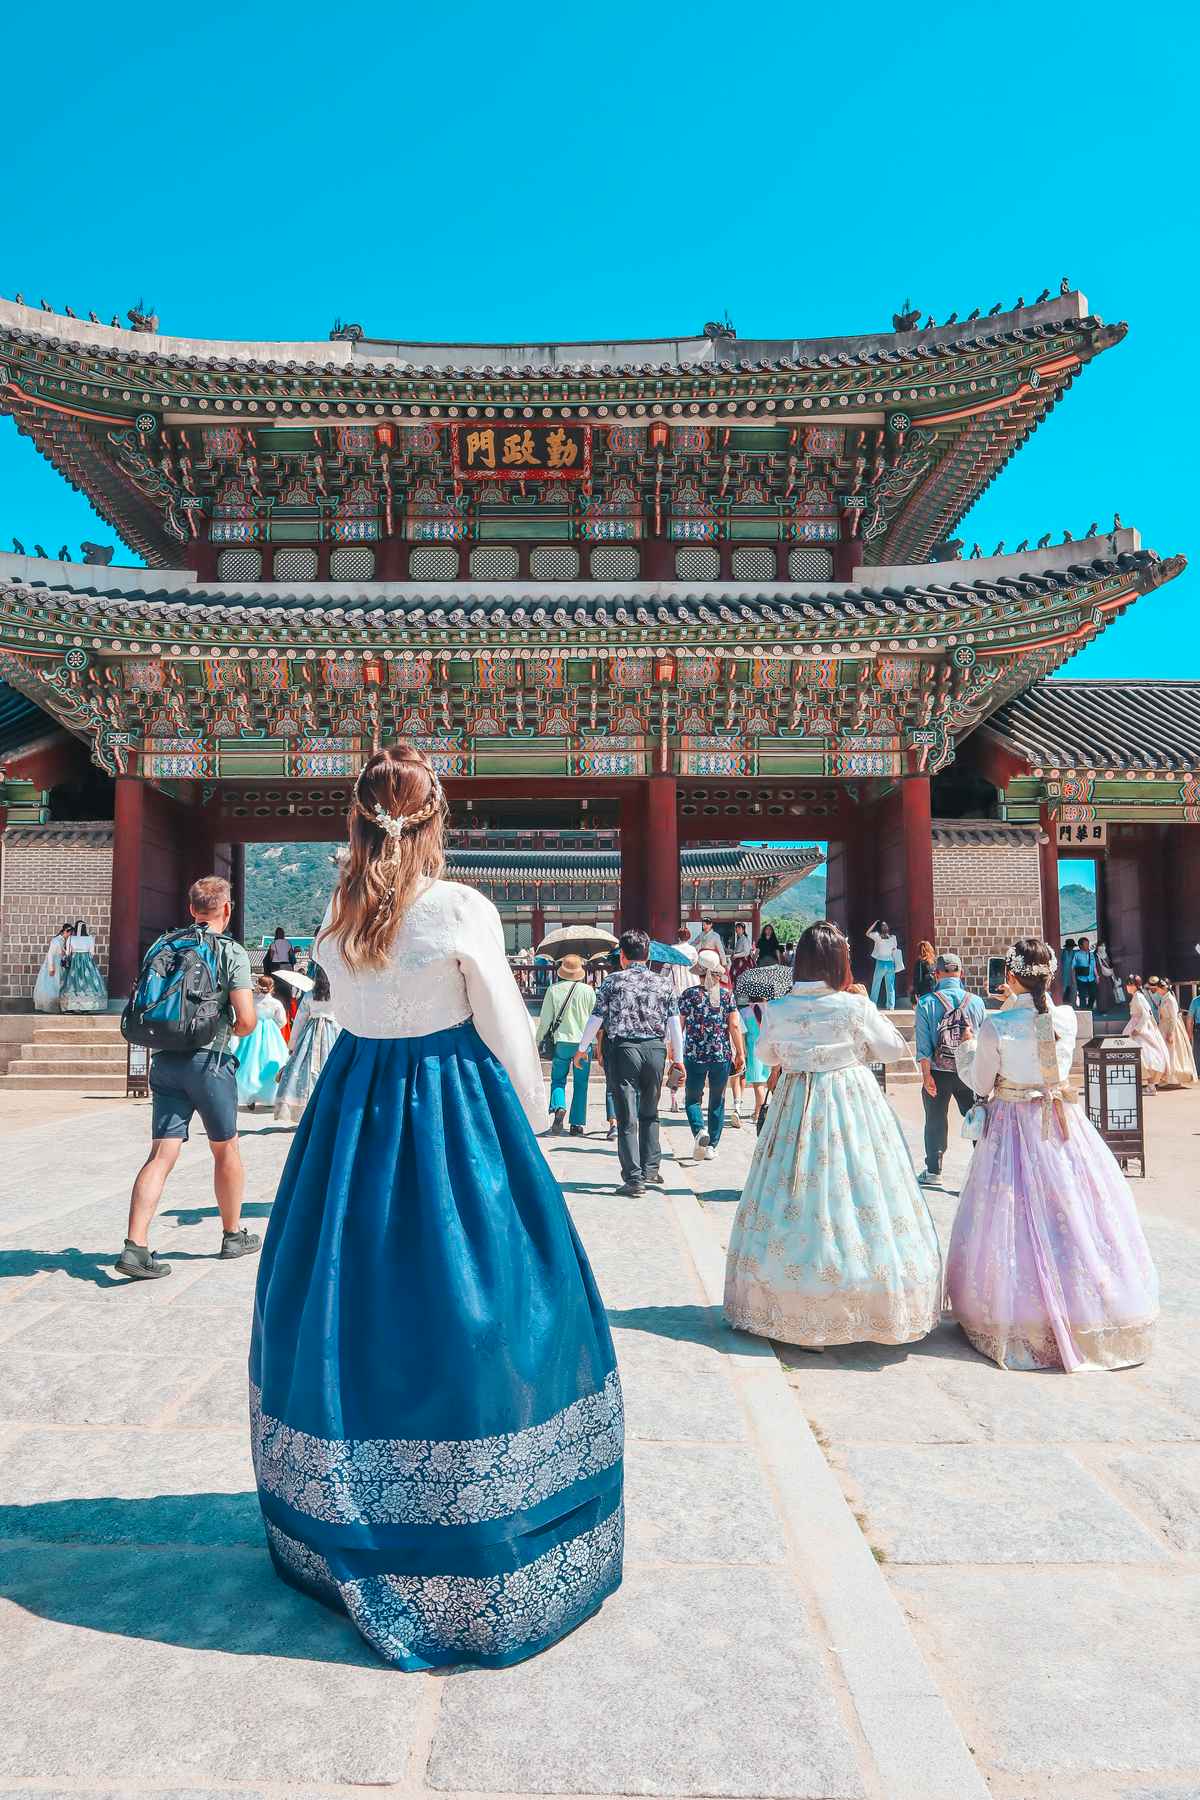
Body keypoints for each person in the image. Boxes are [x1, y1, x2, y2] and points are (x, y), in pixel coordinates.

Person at [251, 743, 622, 1671]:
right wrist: (532, 1116)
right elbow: (500, 1018)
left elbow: (338, 1009)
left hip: (354, 1111)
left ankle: (345, 1500)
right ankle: (478, 1515)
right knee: (481, 1297)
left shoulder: (337, 910)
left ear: (359, 816)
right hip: (453, 1104)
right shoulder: (459, 907)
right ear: (435, 818)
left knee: (347, 1298)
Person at [723, 920, 941, 1350]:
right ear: (841, 962)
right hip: (851, 1098)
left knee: (795, 1192)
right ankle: (865, 1302)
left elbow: (766, 1053)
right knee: (862, 1188)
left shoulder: (781, 1007)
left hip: (796, 1103)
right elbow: (895, 1048)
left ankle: (794, 1302)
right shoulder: (854, 1007)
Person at [947, 937, 1159, 1371]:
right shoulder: (1062, 1018)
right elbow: (1048, 1058)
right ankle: (1088, 1304)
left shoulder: (996, 1026)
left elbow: (981, 1083)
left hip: (1012, 1126)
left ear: (1009, 977)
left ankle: (1019, 1312)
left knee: (1012, 1215)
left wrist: (966, 1047)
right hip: (1062, 1122)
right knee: (1074, 1210)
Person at [114, 876, 260, 1280]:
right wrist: (227, 1024)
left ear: (191, 909)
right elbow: (246, 1020)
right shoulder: (231, 952)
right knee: (225, 1149)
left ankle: (135, 1246)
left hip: (165, 1062)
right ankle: (233, 1235)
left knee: (160, 1154)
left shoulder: (165, 944)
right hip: (210, 1064)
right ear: (227, 910)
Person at [576, 929, 684, 1197]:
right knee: (650, 1111)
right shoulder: (664, 984)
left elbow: (596, 1019)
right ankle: (651, 1169)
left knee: (626, 1115)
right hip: (655, 1049)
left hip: (624, 1049)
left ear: (622, 956)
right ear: (647, 955)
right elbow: (674, 1025)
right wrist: (678, 1059)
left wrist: (582, 1048)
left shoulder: (613, 982)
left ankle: (634, 1178)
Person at [915, 952, 987, 1187]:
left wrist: (926, 1077)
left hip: (938, 1071)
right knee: (976, 1117)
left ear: (936, 974)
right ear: (961, 974)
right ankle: (983, 1166)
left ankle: (934, 1170)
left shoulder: (926, 1002)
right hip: (970, 1071)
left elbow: (923, 1047)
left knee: (935, 1118)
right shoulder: (976, 1002)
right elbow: (985, 1042)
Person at [678, 949, 746, 1160]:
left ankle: (700, 1131)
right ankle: (712, 1147)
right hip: (720, 1055)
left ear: (699, 973)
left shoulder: (689, 995)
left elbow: (679, 1024)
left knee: (692, 1099)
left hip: (694, 1054)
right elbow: (734, 1025)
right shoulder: (726, 996)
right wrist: (740, 1053)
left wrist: (674, 1052)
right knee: (717, 1100)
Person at [273, 964, 341, 1125]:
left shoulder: (310, 995)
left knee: (305, 1074)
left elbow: (299, 1020)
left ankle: (305, 1113)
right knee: (331, 1071)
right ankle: (330, 1113)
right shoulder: (339, 995)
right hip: (334, 1031)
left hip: (311, 1034)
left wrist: (292, 1044)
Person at [537, 954, 596, 1136]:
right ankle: (576, 1124)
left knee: (558, 1079)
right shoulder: (588, 991)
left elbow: (545, 1020)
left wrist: (538, 1040)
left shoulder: (553, 990)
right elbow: (595, 1018)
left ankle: (559, 1106)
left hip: (561, 1041)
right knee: (581, 1083)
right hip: (584, 1044)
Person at [734, 959, 792, 1125]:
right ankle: (774, 1110)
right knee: (773, 1080)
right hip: (774, 1047)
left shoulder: (745, 1011)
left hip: (755, 1048)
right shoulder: (773, 1007)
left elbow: (742, 1031)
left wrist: (741, 1050)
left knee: (759, 1082)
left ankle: (758, 1111)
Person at [233, 977, 290, 1108]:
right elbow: (282, 1021)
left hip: (252, 1032)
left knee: (249, 1063)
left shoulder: (252, 1001)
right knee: (272, 1061)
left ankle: (250, 1096)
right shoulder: (276, 1003)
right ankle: (269, 1094)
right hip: (271, 1033)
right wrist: (273, 1026)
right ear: (272, 988)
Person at [1123, 975, 1169, 1090]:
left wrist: (1137, 1029)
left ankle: (1151, 1084)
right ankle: (1148, 1084)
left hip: (1140, 1029)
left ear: (1136, 986)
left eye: (1130, 984)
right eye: (1128, 984)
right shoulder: (1137, 996)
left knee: (1147, 1056)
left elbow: (1146, 1014)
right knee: (1144, 1056)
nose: (1128, 986)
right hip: (1136, 1026)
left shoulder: (1138, 996)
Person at [1148, 978, 1196, 1088]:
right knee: (1166, 1052)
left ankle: (1173, 1078)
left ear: (1164, 988)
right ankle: (1165, 1077)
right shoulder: (1164, 998)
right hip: (1164, 1027)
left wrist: (1170, 1032)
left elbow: (1174, 1018)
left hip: (1171, 1028)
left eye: (1159, 988)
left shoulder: (1170, 999)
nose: (1158, 990)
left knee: (1173, 1053)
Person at [59, 919, 108, 1012]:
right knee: (88, 983)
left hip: (74, 963)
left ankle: (72, 1007)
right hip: (87, 963)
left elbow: (68, 952)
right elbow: (92, 953)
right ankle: (87, 1007)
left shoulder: (71, 938)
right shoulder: (90, 938)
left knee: (73, 984)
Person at [33, 922, 72, 1013]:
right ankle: (49, 1005)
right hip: (54, 964)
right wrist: (51, 968)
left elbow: (62, 952)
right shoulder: (55, 941)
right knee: (51, 983)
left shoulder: (62, 940)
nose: (69, 935)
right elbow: (50, 954)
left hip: (59, 964)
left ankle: (57, 1004)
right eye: (69, 933)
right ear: (65, 931)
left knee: (58, 983)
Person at [865, 918, 903, 1011]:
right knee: (890, 986)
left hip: (881, 963)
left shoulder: (877, 937)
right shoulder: (893, 938)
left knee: (876, 984)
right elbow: (894, 949)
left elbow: (867, 933)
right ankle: (891, 1006)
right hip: (890, 963)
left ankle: (873, 1004)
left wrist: (874, 923)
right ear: (888, 928)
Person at [665, 928, 700, 1000]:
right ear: (688, 937)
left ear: (678, 937)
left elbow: (667, 964)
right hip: (690, 976)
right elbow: (696, 962)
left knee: (675, 998)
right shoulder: (692, 949)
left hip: (676, 975)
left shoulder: (673, 948)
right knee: (690, 997)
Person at [263, 925, 296, 1001]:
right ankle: (287, 998)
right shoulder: (288, 943)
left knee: (277, 984)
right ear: (283, 934)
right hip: (287, 965)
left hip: (276, 966)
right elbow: (291, 954)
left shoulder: (273, 944)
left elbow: (271, 956)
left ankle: (277, 998)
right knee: (287, 984)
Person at [1072, 937, 1098, 1010]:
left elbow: (1094, 966)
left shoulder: (1091, 954)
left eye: (1088, 944)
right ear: (1080, 945)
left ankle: (1089, 1008)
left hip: (1091, 978)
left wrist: (1097, 976)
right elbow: (1073, 968)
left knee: (1093, 994)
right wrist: (1073, 979)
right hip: (1081, 978)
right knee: (1082, 996)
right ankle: (1083, 1011)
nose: (1087, 945)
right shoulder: (1077, 955)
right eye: (1086, 944)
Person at [1060, 939, 1077, 1007]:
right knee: (1062, 990)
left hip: (1072, 974)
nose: (1071, 947)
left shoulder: (1074, 953)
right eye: (1070, 946)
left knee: (1074, 990)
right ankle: (1060, 1003)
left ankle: (1074, 1005)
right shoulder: (1062, 952)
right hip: (1064, 974)